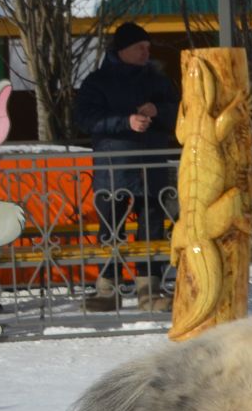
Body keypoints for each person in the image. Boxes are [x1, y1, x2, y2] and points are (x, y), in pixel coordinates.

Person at [74, 22, 177, 312]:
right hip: (113, 168)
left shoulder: (157, 80)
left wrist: (159, 111)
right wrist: (126, 122)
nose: (146, 52)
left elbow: (179, 112)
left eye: (148, 47)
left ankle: (150, 291)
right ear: (123, 49)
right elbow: (85, 119)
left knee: (152, 228)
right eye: (140, 47)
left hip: (152, 166)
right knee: (110, 229)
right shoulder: (97, 82)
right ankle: (108, 291)